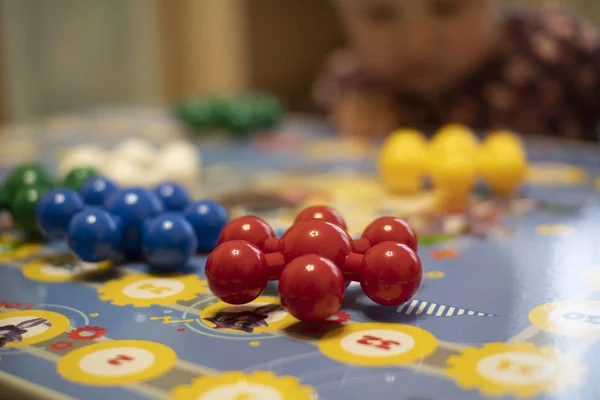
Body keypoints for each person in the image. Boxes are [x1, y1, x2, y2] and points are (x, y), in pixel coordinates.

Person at [313, 0, 600, 141]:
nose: (417, 44)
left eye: (447, 7)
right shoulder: (356, 80)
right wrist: (354, 112)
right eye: (380, 14)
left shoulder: (562, 52)